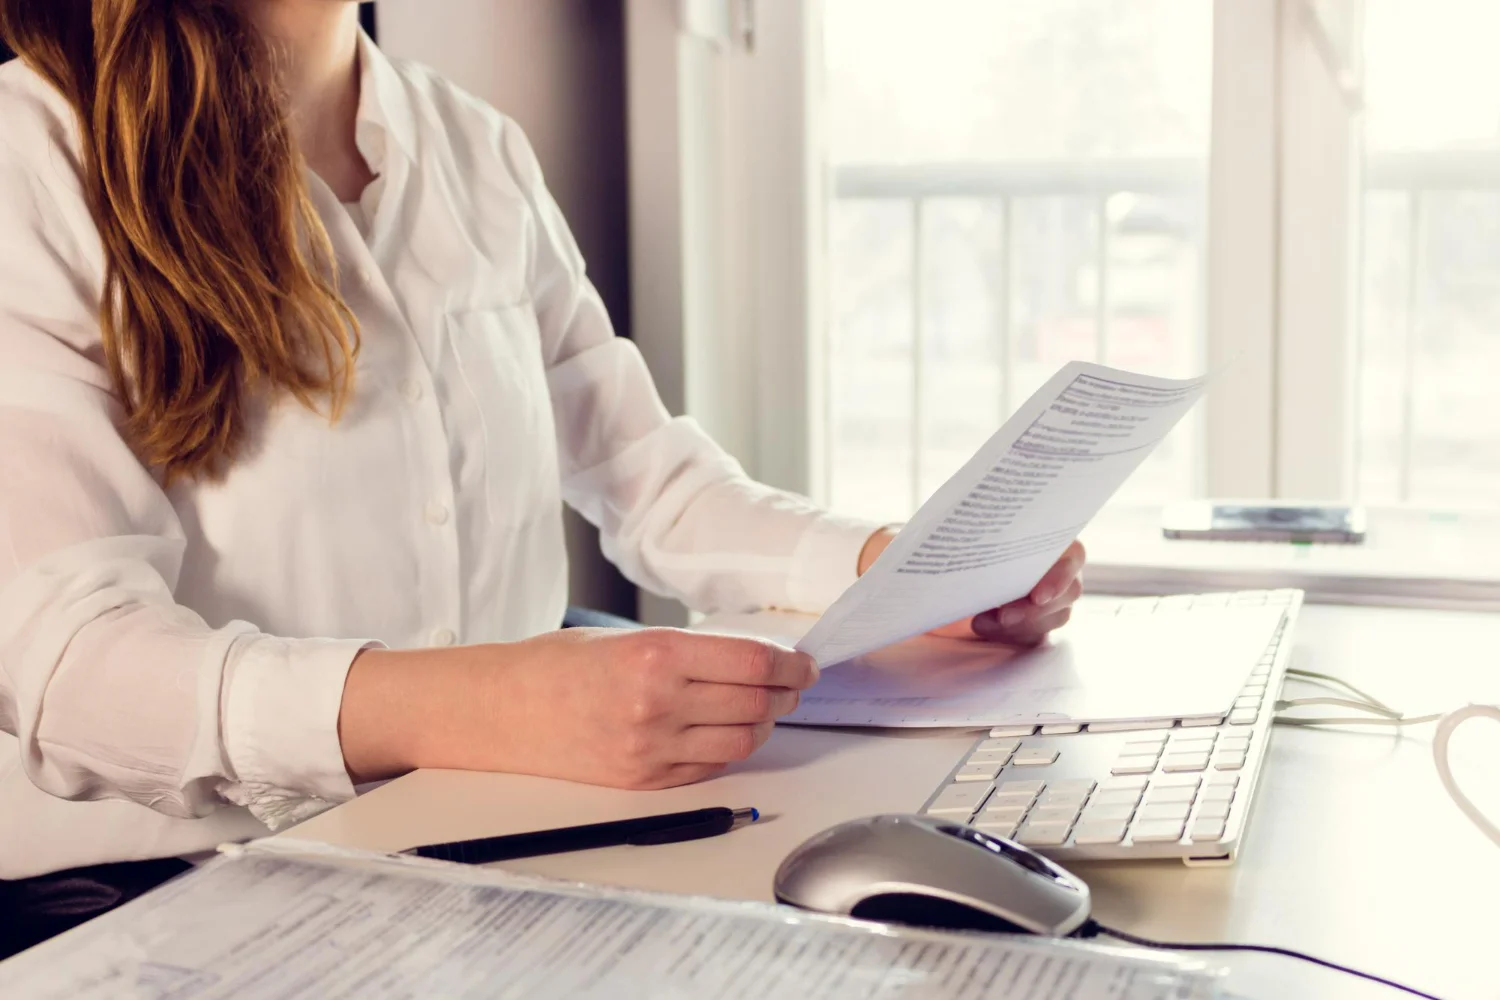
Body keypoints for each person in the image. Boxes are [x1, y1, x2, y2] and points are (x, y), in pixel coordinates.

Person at [0, 0, 1085, 951]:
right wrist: (483, 704)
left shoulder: (476, 148)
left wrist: (896, 573)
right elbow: (70, 665)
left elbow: (649, 476)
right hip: (154, 894)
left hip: (476, 848)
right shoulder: (32, 155)